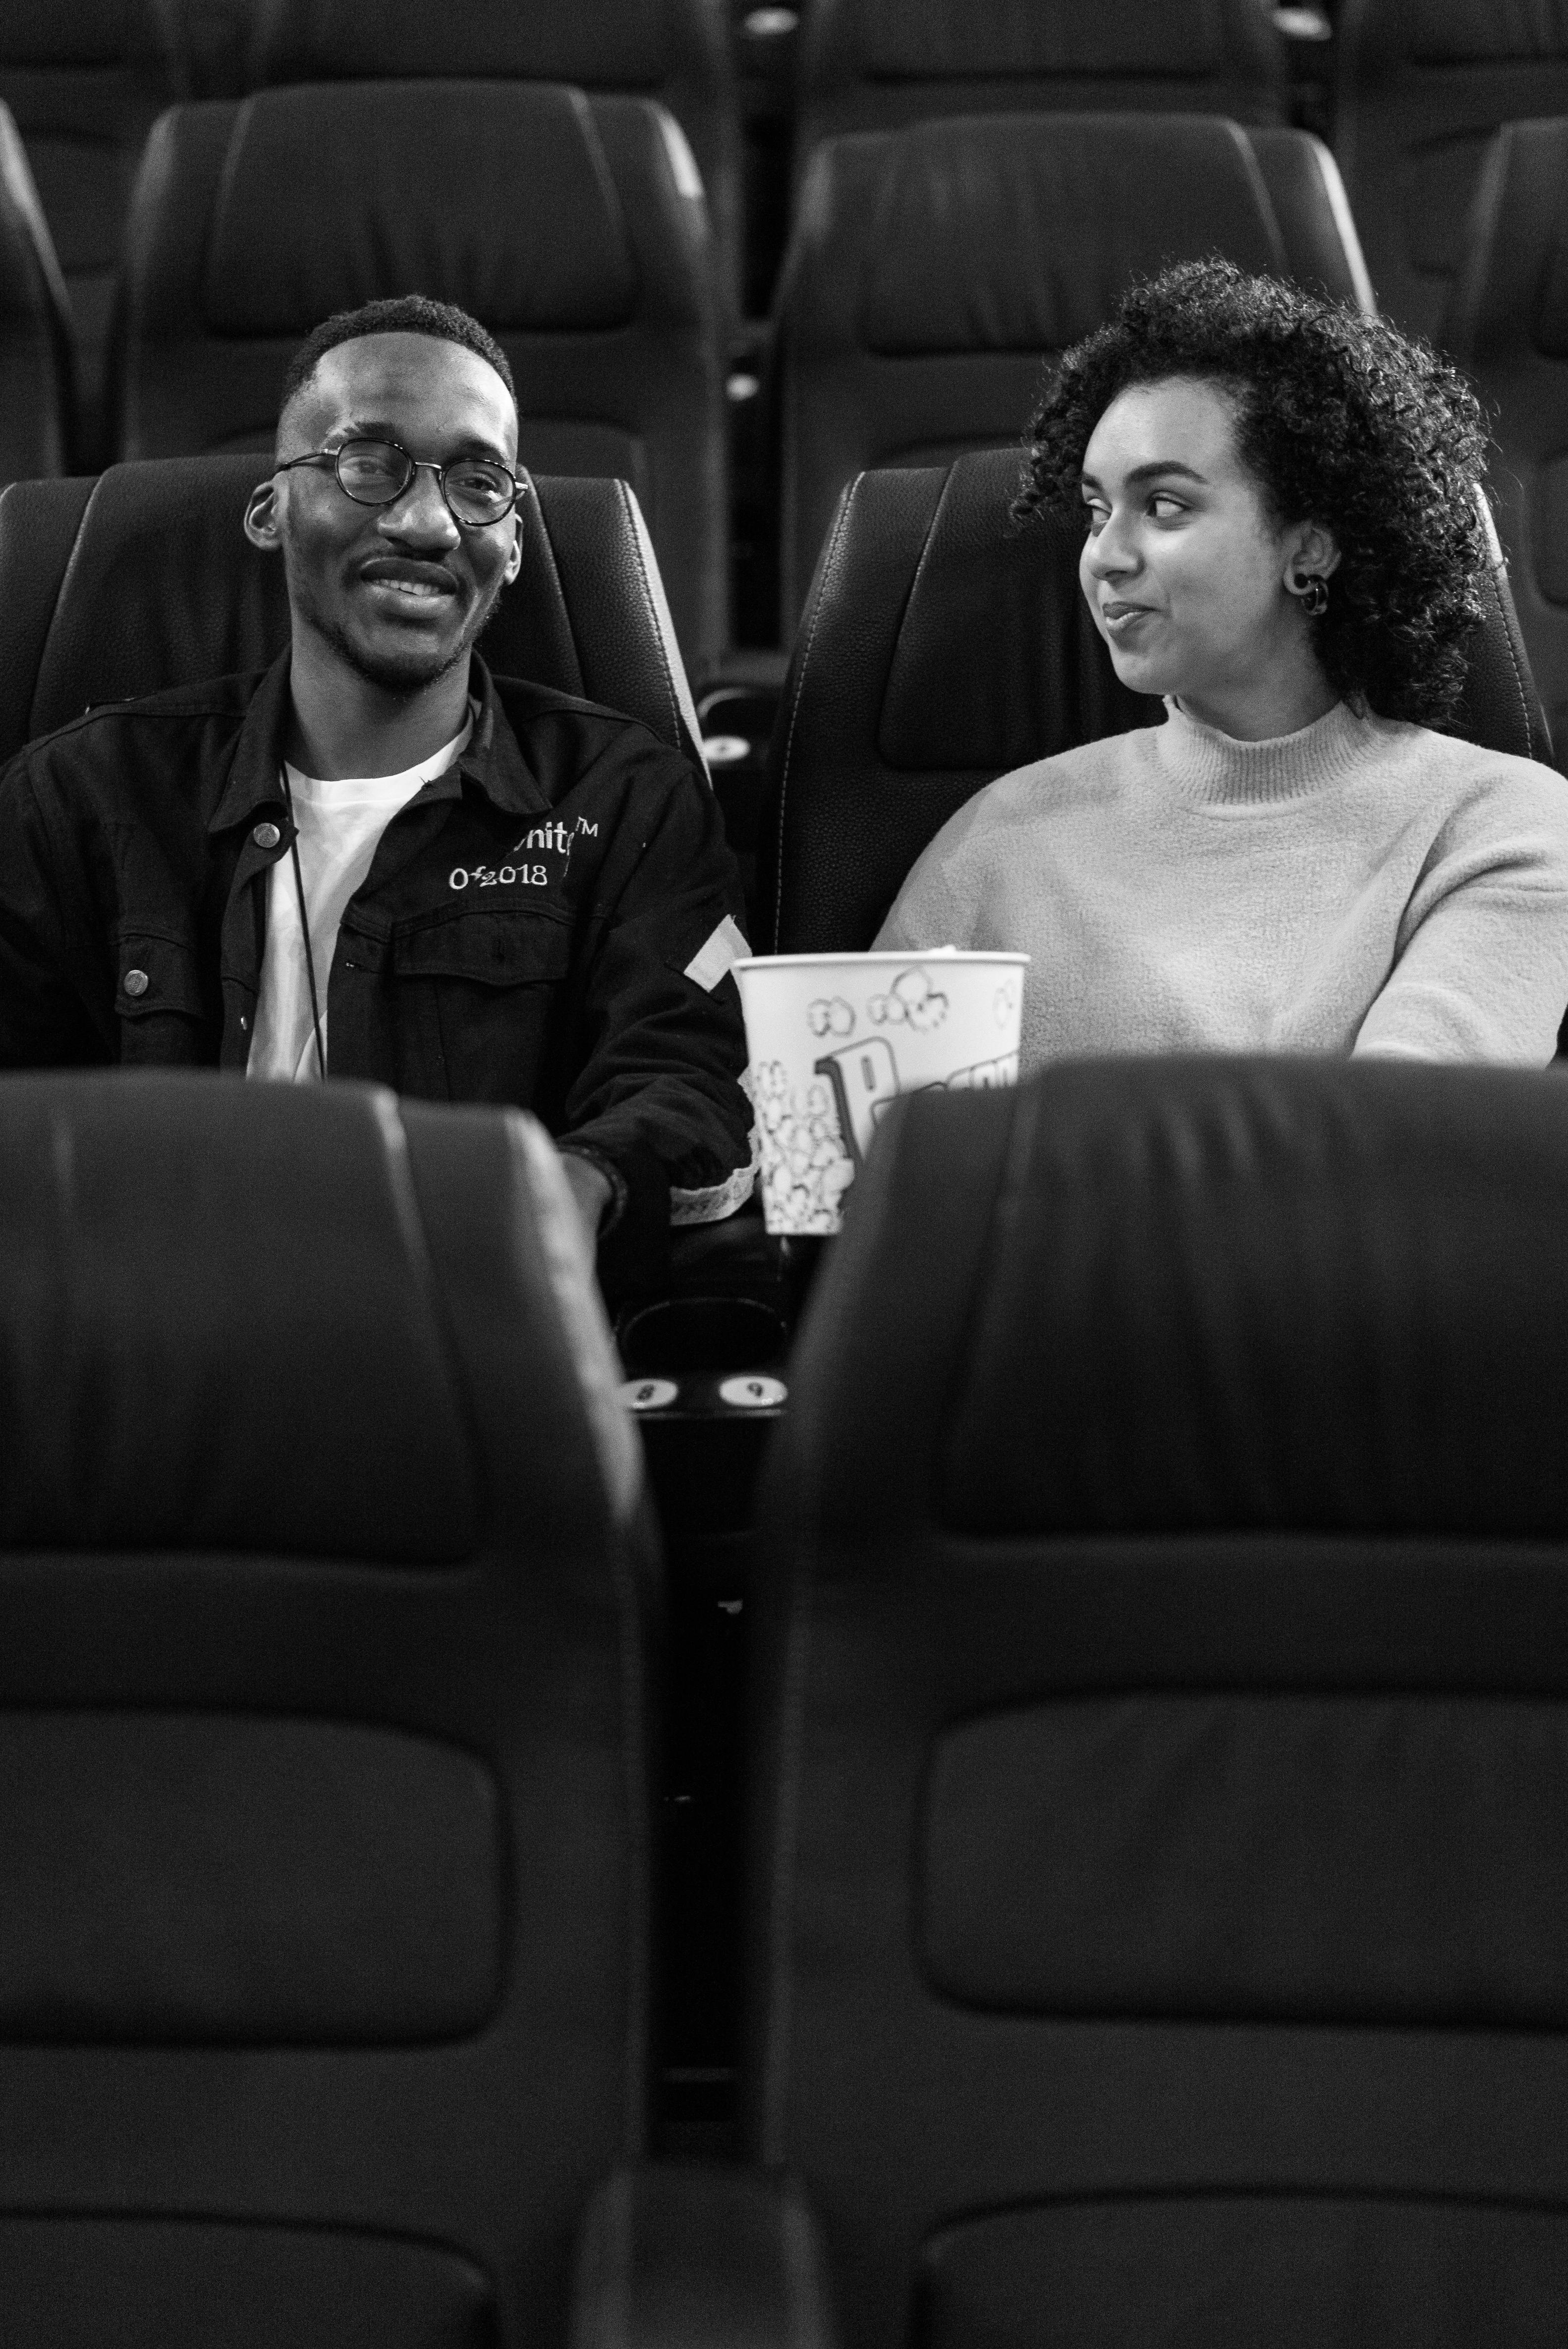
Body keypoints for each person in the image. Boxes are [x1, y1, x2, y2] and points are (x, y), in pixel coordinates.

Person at [0, 294, 754, 1285]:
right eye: (369, 464)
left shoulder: (623, 800)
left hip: (468, 1345)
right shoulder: (82, 795)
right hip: (143, 1360)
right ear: (272, 508)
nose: (426, 521)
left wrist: (575, 1189)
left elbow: (690, 1076)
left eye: (479, 481)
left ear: (516, 541)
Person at [877, 260, 1568, 1066]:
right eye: (1098, 511)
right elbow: (865, 1146)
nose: (1105, 556)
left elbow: (1396, 1156)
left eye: (1164, 506)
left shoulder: (1495, 826)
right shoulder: (997, 839)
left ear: (1310, 545)